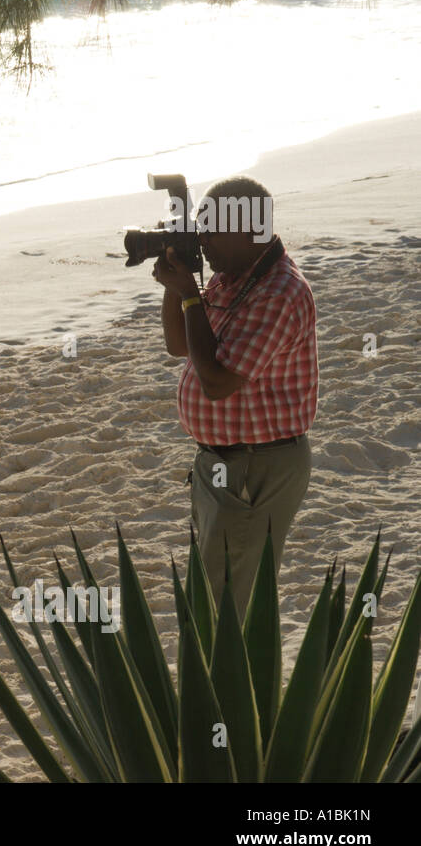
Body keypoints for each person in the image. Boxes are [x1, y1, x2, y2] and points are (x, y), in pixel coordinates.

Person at [153, 176, 318, 611]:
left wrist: (190, 293)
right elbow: (180, 345)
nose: (201, 239)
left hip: (254, 468)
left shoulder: (279, 290)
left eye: (210, 229)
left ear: (248, 229)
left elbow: (218, 382)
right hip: (225, 465)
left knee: (226, 605)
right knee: (215, 591)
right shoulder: (233, 277)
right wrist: (178, 287)